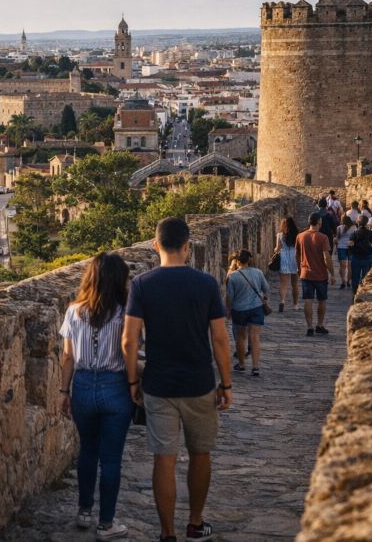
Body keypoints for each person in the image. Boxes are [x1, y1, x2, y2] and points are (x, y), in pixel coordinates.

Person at [122, 217, 232, 542]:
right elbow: (219, 339)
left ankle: (167, 533)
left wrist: (133, 382)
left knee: (164, 459)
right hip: (199, 384)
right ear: (187, 247)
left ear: (156, 246)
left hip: (159, 385)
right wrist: (226, 384)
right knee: (201, 454)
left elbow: (129, 341)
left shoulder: (142, 285)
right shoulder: (206, 284)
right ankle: (195, 524)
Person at [59, 252, 134, 539]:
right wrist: (134, 384)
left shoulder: (74, 311)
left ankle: (84, 511)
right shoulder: (125, 312)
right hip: (115, 385)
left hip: (82, 385)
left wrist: (64, 391)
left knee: (88, 450)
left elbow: (68, 357)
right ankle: (106, 523)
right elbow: (130, 350)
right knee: (111, 458)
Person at [226, 249, 268, 377]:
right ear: (248, 260)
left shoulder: (232, 276)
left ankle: (241, 364)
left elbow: (230, 297)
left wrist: (228, 310)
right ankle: (255, 367)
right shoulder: (258, 272)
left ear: (237, 261)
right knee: (255, 338)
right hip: (256, 308)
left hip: (239, 310)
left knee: (240, 337)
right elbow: (266, 288)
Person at [295, 212, 335, 337]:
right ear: (319, 222)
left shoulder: (300, 236)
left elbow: (297, 255)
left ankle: (309, 327)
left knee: (308, 300)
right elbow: (326, 257)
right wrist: (332, 273)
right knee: (322, 300)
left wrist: (299, 269)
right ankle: (320, 325)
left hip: (306, 273)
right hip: (320, 274)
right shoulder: (323, 238)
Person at [348, 215, 372, 295]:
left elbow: (350, 244)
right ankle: (364, 293)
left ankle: (355, 293)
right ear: (367, 222)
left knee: (355, 277)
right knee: (366, 276)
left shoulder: (354, 233)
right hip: (367, 256)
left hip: (356, 257)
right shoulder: (371, 233)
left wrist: (352, 252)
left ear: (358, 222)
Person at [276, 217, 299, 312]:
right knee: (295, 284)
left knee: (283, 284)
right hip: (294, 258)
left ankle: (282, 301)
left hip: (284, 258)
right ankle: (295, 304)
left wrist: (276, 250)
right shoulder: (297, 235)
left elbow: (277, 249)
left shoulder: (280, 235)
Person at [334, 214, 357, 289]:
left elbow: (337, 238)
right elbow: (355, 238)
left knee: (342, 266)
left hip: (341, 247)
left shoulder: (339, 228)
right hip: (351, 247)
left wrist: (334, 241)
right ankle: (348, 282)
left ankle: (343, 281)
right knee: (350, 266)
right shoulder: (354, 227)